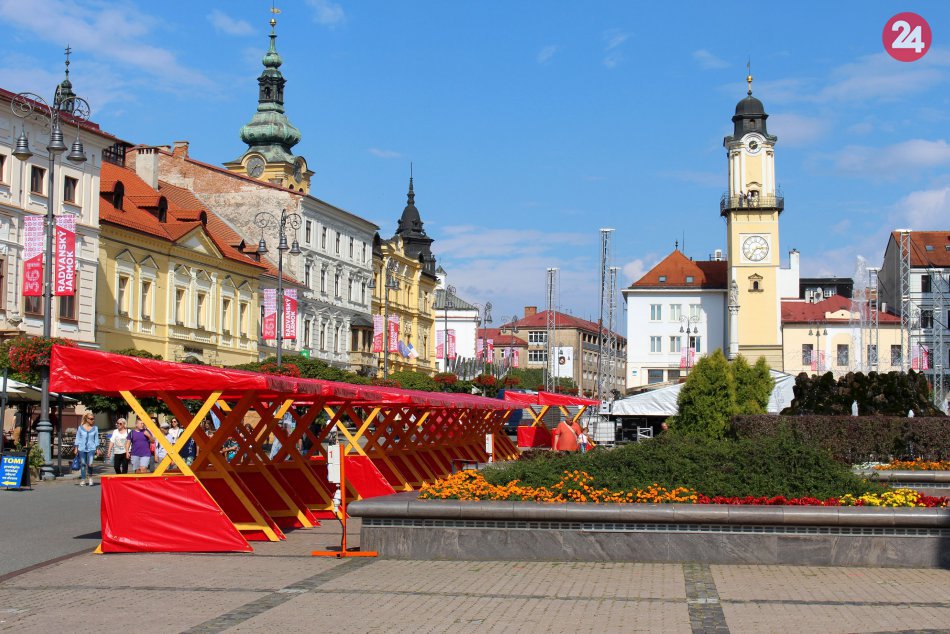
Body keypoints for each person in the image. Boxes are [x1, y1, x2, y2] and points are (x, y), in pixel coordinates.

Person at [74, 413, 100, 486]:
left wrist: (97, 449)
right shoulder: (80, 428)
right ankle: (83, 480)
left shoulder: (95, 428)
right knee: (83, 464)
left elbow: (96, 439)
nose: (93, 420)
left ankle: (90, 478)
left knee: (90, 464)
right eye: (91, 419)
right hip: (81, 448)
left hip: (91, 448)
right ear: (87, 419)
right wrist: (76, 448)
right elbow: (78, 438)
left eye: (93, 418)